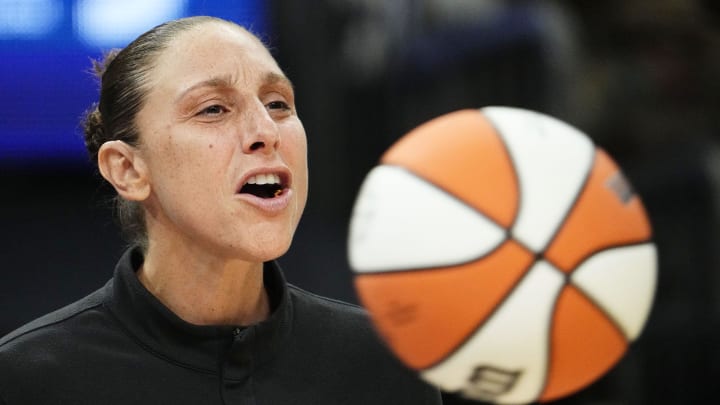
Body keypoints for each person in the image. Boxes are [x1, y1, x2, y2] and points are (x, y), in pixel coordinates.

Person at [0, 16, 442, 404]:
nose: (265, 131)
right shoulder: (28, 379)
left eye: (278, 104)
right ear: (128, 169)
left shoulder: (385, 362)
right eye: (213, 109)